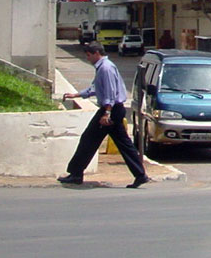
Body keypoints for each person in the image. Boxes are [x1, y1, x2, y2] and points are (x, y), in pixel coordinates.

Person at [59, 41, 150, 188]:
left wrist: (106, 113)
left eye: (89, 55)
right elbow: (96, 88)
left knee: (89, 139)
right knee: (122, 143)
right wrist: (76, 94)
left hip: (110, 110)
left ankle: (76, 174)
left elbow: (109, 93)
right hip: (112, 109)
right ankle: (140, 175)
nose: (88, 58)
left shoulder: (105, 69)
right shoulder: (103, 67)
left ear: (96, 53)